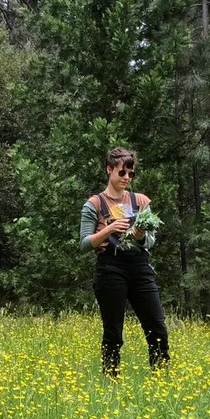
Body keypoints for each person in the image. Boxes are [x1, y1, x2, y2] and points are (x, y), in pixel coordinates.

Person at [79, 147, 169, 377]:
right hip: (110, 269)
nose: (126, 178)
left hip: (140, 267)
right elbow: (84, 243)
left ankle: (162, 378)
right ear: (109, 170)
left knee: (157, 327)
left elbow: (151, 240)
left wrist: (140, 236)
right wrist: (108, 229)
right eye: (122, 173)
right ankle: (111, 378)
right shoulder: (95, 204)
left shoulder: (141, 201)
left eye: (131, 174)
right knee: (113, 330)